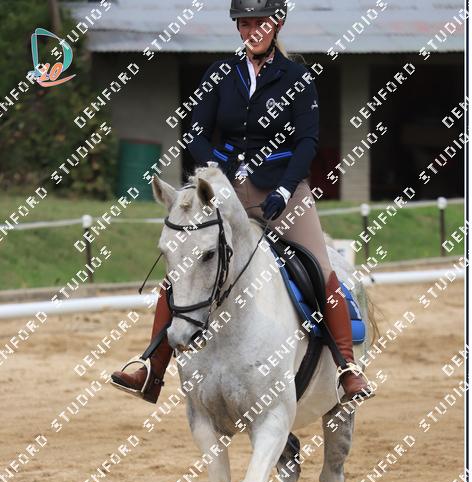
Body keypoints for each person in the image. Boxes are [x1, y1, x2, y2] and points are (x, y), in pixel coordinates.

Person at [111, 0, 373, 405]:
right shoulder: (220, 73)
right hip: (225, 188)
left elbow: (307, 142)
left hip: (284, 189)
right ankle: (152, 367)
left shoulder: (297, 77)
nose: (252, 31)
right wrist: (219, 170)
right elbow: (195, 131)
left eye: (260, 23)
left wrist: (285, 190)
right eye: (245, 23)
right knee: (187, 262)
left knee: (321, 269)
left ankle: (346, 367)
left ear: (277, 24)